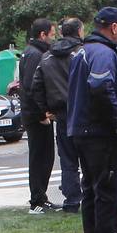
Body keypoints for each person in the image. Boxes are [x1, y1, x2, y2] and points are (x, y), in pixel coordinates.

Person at [67, 7, 117, 233]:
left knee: (92, 189)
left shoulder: (83, 52)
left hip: (82, 131)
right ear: (114, 27)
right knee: (107, 190)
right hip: (100, 133)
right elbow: (100, 86)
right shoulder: (104, 53)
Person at [33, 18, 86, 213]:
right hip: (83, 113)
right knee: (89, 158)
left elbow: (36, 86)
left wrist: (46, 108)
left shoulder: (47, 57)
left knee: (68, 161)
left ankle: (72, 201)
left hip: (61, 114)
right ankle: (90, 198)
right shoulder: (83, 53)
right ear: (79, 32)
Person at [19, 19, 58, 213]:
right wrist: (42, 113)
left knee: (44, 157)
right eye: (52, 34)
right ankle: (37, 200)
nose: (54, 38)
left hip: (34, 114)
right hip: (36, 116)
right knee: (40, 158)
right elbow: (31, 87)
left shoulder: (31, 52)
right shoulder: (36, 55)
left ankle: (41, 197)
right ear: (42, 35)